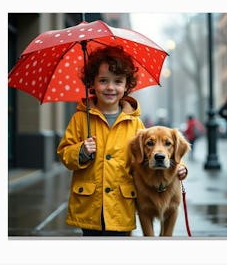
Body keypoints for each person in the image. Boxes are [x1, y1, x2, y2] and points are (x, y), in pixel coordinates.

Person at [57, 45, 188, 236]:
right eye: (103, 81)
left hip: (121, 205)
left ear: (127, 86)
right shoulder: (80, 119)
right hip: (89, 205)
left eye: (118, 81)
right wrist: (81, 151)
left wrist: (181, 164)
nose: (110, 87)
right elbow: (64, 153)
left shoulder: (135, 124)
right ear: (91, 83)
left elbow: (155, 152)